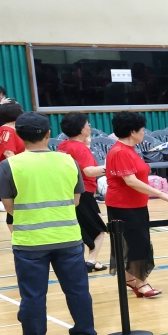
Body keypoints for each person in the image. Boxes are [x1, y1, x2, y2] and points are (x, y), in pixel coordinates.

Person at [0, 112, 98, 335]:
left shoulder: (10, 165)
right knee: (77, 290)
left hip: (30, 242)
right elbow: (76, 200)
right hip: (68, 238)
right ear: (48, 134)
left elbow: (8, 206)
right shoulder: (68, 161)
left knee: (32, 295)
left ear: (19, 136)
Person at [105, 111, 168, 298]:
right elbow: (131, 181)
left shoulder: (129, 150)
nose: (144, 132)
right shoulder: (120, 151)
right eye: (142, 129)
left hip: (136, 204)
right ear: (132, 132)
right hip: (124, 206)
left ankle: (131, 279)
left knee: (137, 243)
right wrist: (162, 194)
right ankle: (141, 283)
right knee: (138, 244)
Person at [56, 113, 109, 273]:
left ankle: (89, 261)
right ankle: (91, 261)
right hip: (83, 192)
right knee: (99, 230)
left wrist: (87, 144)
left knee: (78, 227)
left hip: (67, 192)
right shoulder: (80, 149)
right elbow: (89, 171)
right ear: (81, 129)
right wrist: (111, 167)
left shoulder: (63, 145)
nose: (90, 127)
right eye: (87, 124)